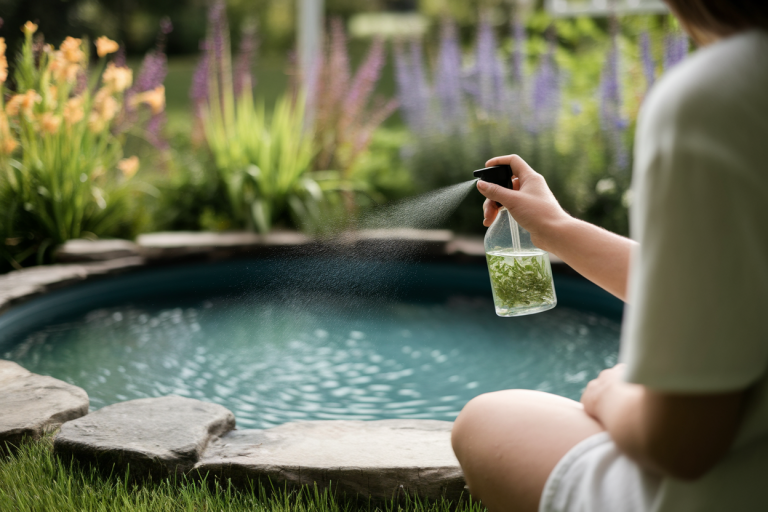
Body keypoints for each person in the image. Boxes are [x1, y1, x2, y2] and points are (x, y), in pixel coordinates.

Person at [450, 1, 768, 511]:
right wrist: (555, 229)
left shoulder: (721, 94)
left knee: (488, 419)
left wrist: (613, 395)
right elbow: (710, 287)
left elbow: (683, 445)